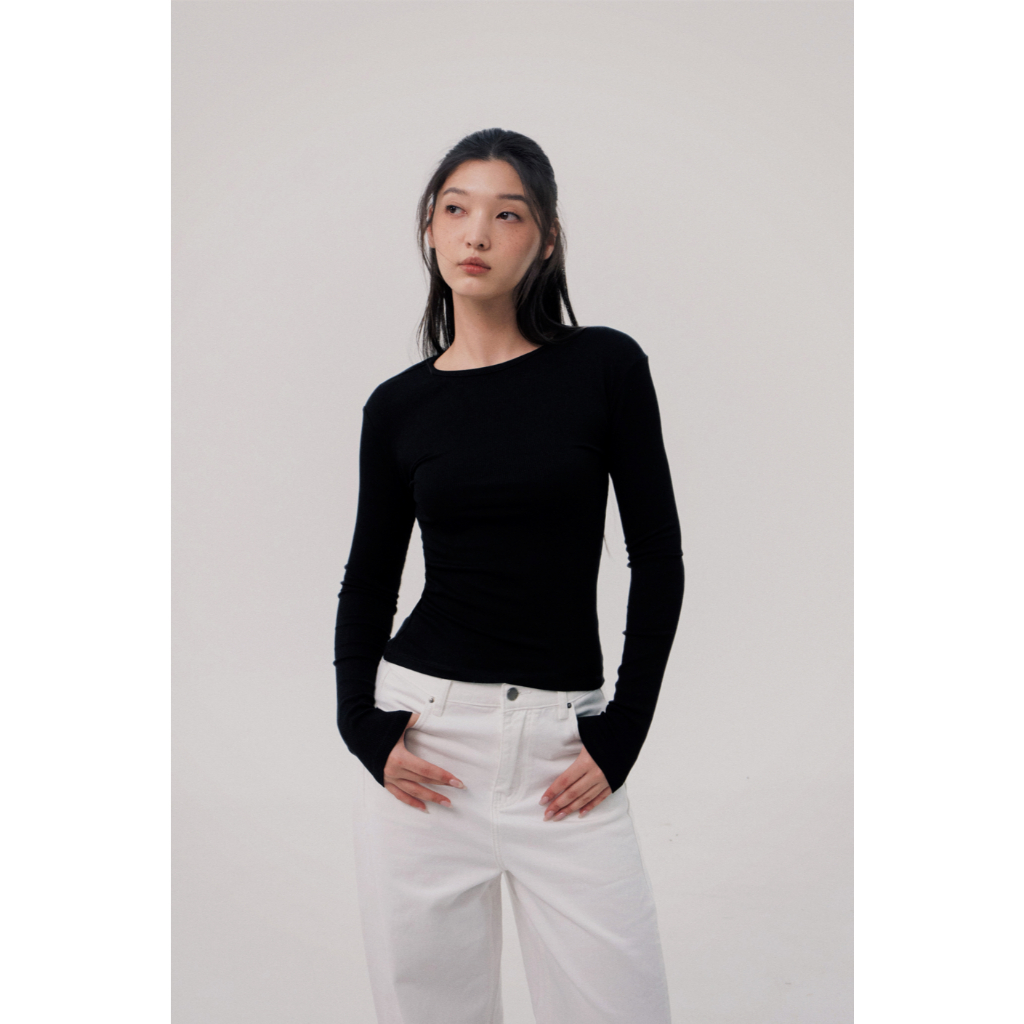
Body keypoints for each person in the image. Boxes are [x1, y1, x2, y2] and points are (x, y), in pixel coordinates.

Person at [334, 127, 685, 1024]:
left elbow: (659, 558)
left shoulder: (605, 367)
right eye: (456, 209)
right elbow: (370, 579)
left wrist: (625, 731)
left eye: (507, 214)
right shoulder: (398, 407)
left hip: (564, 752)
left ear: (547, 238)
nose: (476, 233)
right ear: (429, 228)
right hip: (426, 747)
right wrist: (360, 728)